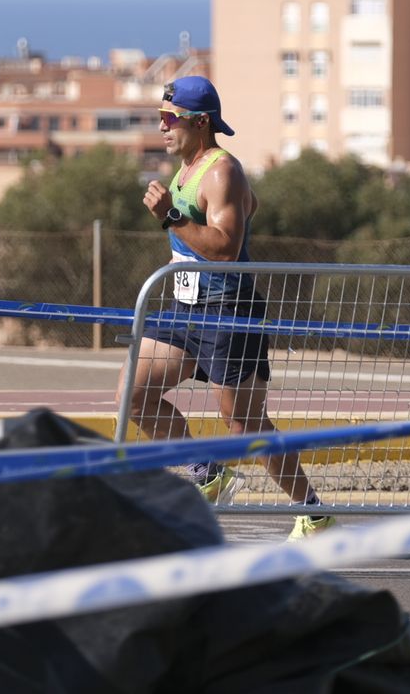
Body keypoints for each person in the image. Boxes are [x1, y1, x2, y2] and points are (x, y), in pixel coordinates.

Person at [118, 76, 335, 540]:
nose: (162, 127)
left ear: (200, 122)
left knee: (244, 422)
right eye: (160, 117)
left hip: (227, 310)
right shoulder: (185, 169)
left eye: (169, 119)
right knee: (132, 394)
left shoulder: (222, 172)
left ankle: (313, 511)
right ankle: (207, 472)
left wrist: (170, 219)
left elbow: (224, 250)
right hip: (185, 306)